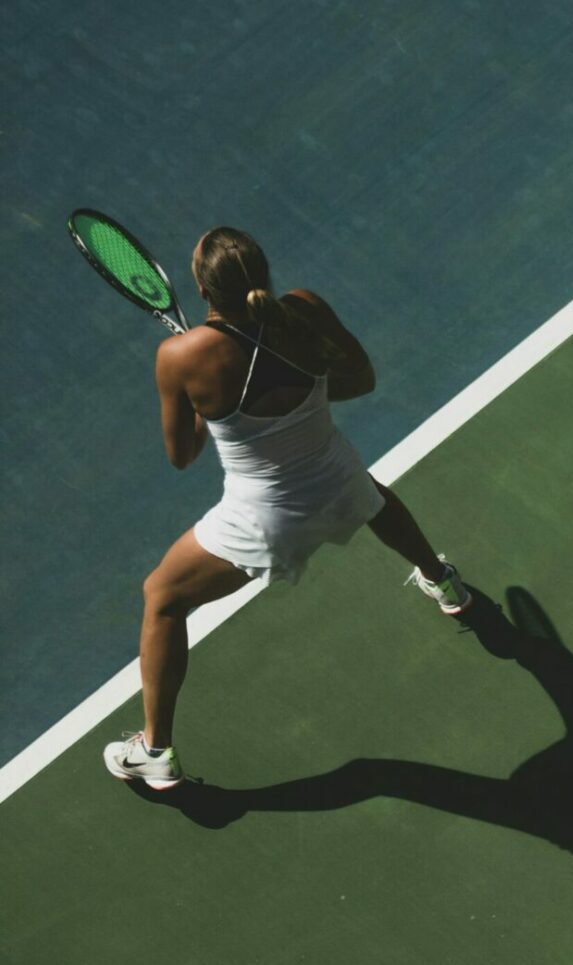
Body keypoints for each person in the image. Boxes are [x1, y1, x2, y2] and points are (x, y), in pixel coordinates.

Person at [103, 226, 471, 790]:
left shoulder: (181, 355)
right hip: (337, 477)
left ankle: (155, 750)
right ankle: (444, 582)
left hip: (265, 521)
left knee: (162, 597)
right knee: (368, 494)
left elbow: (182, 455)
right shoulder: (304, 309)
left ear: (202, 289)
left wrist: (211, 410)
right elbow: (361, 380)